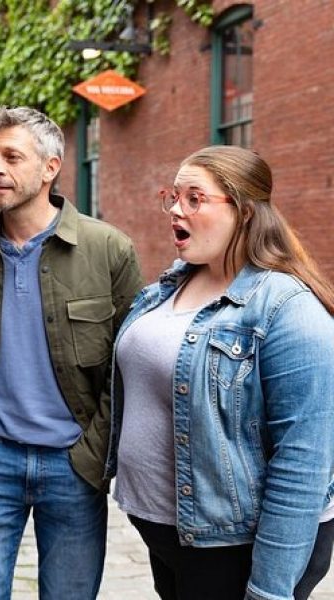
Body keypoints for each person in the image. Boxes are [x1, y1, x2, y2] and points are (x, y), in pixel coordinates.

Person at [106, 145, 334, 600]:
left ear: (245, 213)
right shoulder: (169, 286)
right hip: (175, 534)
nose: (175, 209)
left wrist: (269, 590)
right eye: (173, 196)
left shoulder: (289, 310)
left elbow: (303, 465)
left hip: (235, 547)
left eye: (195, 198)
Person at [0, 106, 143, 600]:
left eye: (11, 156)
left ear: (50, 168)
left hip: (73, 463)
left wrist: (93, 452)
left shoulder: (108, 249)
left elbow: (129, 365)